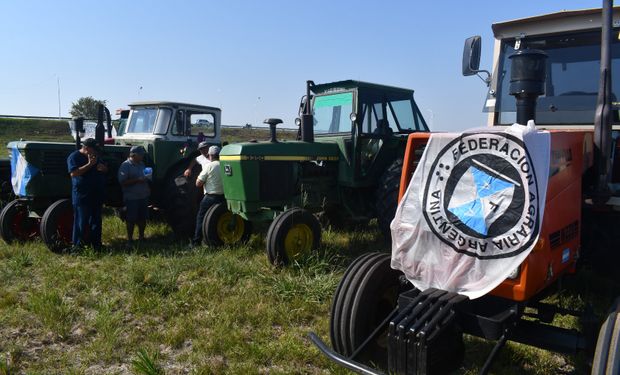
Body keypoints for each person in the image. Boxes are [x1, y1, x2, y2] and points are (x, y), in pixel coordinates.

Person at [67, 138, 108, 250]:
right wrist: (90, 165)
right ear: (86, 148)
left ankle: (96, 245)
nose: (95, 152)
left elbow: (105, 168)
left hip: (96, 194)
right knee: (81, 221)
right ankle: (77, 246)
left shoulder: (96, 156)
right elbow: (74, 173)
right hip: (82, 195)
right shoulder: (74, 157)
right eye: (93, 149)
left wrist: (103, 169)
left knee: (96, 221)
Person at [191, 145, 224, 246]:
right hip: (223, 198)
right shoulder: (225, 164)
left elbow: (198, 183)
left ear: (210, 155)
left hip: (211, 197)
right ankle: (217, 240)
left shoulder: (209, 166)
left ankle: (196, 242)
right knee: (218, 219)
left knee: (201, 218)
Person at [118, 146, 151, 245]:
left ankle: (141, 237)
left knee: (142, 218)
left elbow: (146, 177)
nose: (142, 157)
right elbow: (122, 182)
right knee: (131, 219)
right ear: (134, 155)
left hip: (143, 196)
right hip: (131, 197)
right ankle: (130, 239)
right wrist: (137, 180)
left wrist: (148, 182)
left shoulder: (142, 164)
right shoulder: (125, 165)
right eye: (141, 155)